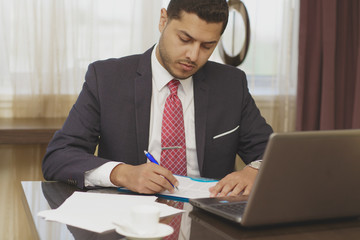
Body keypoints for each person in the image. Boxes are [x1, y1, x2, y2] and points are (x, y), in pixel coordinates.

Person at [42, 0, 273, 198]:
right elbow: (58, 157)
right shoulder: (106, 79)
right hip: (131, 221)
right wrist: (122, 173)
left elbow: (272, 152)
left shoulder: (231, 84)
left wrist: (255, 171)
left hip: (208, 221)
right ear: (163, 20)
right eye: (184, 39)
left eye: (207, 46)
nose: (193, 55)